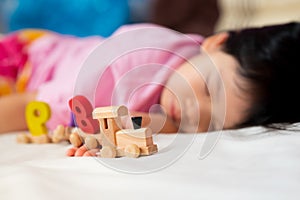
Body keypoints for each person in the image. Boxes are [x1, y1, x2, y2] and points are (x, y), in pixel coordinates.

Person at [0, 22, 300, 134]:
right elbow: (33, 105)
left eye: (214, 122)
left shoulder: (184, 97)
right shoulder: (133, 59)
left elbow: (130, 121)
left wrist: (160, 124)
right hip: (25, 58)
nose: (194, 112)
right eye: (208, 89)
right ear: (214, 43)